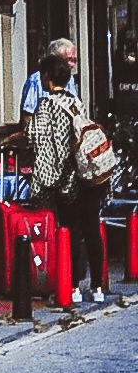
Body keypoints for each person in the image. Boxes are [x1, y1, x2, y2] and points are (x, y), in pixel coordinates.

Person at [25, 53, 110, 304]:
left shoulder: (47, 105)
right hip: (90, 173)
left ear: (49, 78)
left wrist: (42, 183)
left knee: (69, 230)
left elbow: (38, 141)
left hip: (68, 180)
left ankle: (71, 287)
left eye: (42, 75)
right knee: (92, 229)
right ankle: (97, 288)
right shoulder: (75, 101)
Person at [20, 38, 81, 125]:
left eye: (74, 60)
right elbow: (27, 116)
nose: (72, 65)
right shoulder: (35, 80)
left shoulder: (70, 79)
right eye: (68, 60)